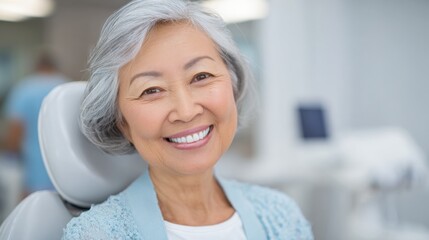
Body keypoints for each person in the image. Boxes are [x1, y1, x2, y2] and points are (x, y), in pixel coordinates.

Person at [63, 0, 314, 239]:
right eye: (151, 90)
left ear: (233, 86)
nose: (186, 111)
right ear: (122, 122)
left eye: (201, 76)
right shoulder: (97, 235)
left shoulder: (281, 216)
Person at [1, 53, 68, 196]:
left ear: (37, 67)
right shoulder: (68, 87)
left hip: (34, 173)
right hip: (67, 174)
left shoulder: (24, 89)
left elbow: (14, 134)